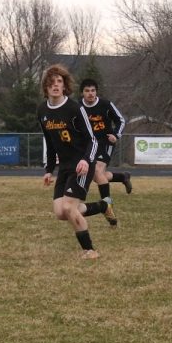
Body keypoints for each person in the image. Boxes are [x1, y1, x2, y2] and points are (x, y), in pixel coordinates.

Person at [38, 64, 111, 259]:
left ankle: (90, 250)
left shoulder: (74, 108)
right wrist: (49, 169)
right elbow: (50, 142)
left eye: (59, 82)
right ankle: (102, 207)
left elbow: (93, 139)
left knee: (69, 207)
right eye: (51, 82)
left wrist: (87, 161)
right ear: (46, 87)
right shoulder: (42, 110)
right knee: (61, 213)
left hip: (81, 166)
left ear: (64, 86)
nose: (55, 85)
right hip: (64, 167)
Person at [79, 78, 132, 226]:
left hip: (105, 143)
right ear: (82, 93)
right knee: (97, 176)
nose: (90, 94)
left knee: (96, 171)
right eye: (87, 91)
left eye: (93, 90)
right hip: (89, 145)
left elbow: (121, 120)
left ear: (96, 92)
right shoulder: (78, 107)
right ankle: (122, 177)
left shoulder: (105, 104)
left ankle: (108, 209)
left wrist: (116, 135)